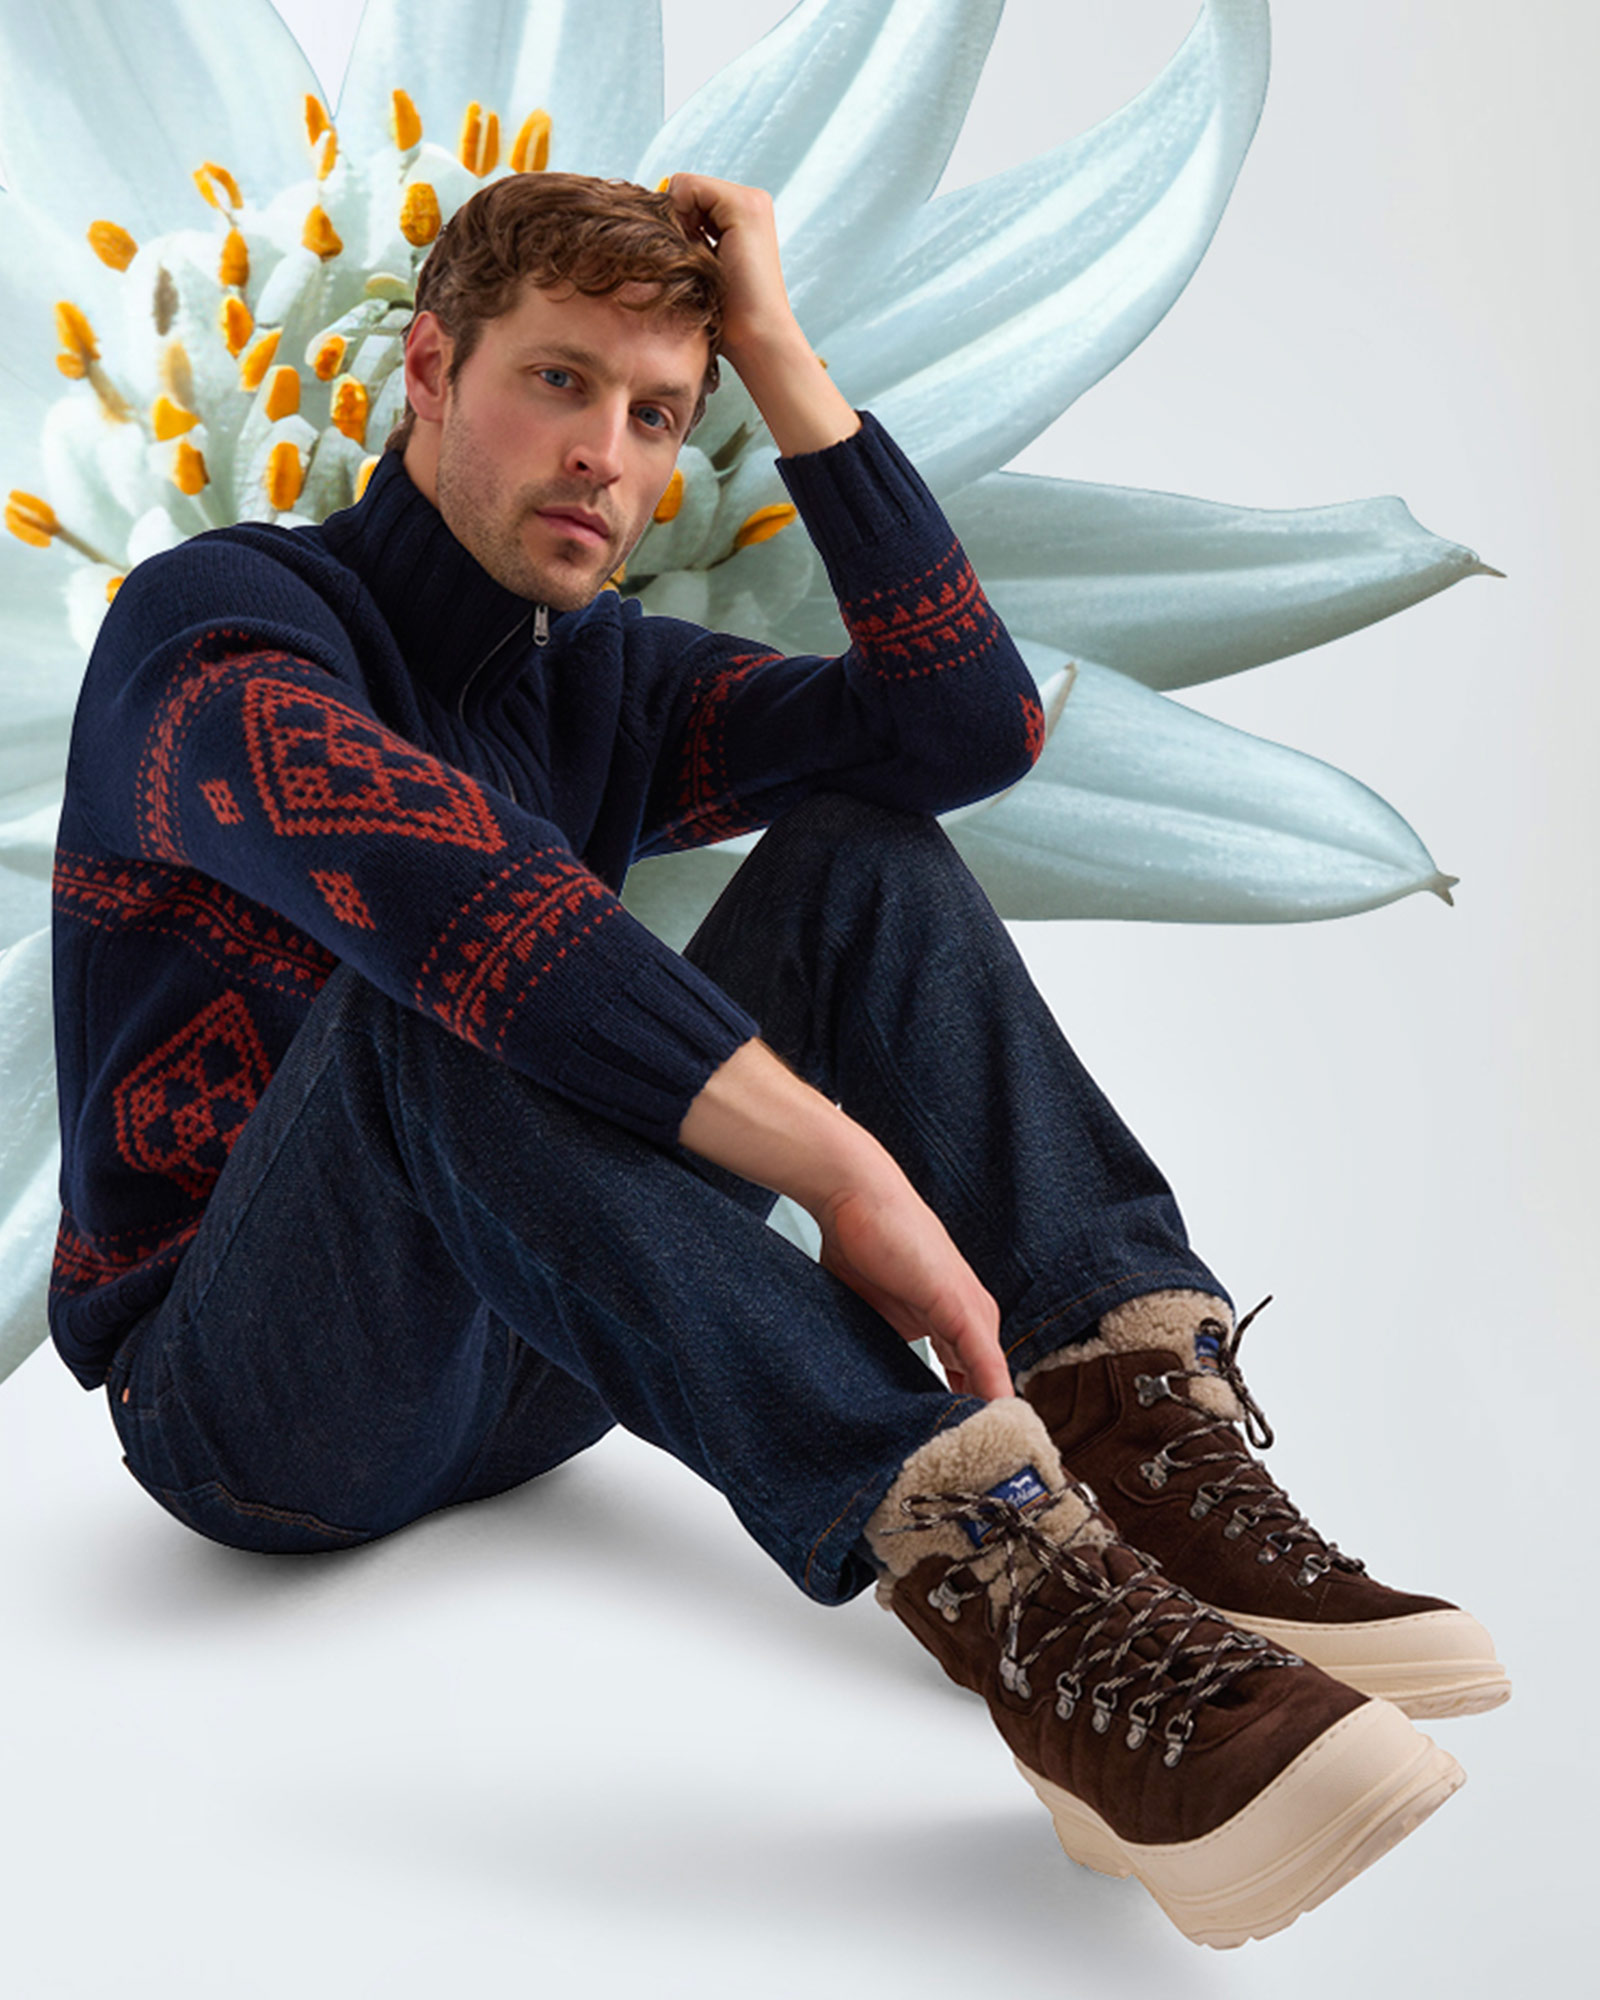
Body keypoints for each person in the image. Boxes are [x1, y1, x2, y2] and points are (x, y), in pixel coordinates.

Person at [49, 168, 1507, 1949]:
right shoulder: (211, 626)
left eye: (660, 414)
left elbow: (959, 730)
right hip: (254, 1404)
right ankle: (1017, 1593)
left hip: (534, 1359)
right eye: (561, 381)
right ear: (425, 371)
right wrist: (844, 1172)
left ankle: (1134, 1447)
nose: (611, 453)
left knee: (863, 854)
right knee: (431, 996)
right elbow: (457, 901)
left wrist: (788, 366)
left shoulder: (602, 681)